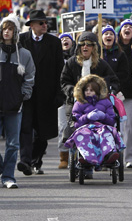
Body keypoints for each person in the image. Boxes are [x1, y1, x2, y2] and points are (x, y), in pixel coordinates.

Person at [0, 14, 35, 189]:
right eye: (4, 29)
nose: (7, 32)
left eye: (10, 29)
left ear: (15, 32)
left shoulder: (25, 55)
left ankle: (8, 176)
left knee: (13, 143)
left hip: (15, 106)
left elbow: (30, 76)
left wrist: (23, 95)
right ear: (0, 31)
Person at [61, 31, 120, 177]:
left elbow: (114, 81)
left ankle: (105, 155)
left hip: (98, 102)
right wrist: (72, 91)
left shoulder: (101, 64)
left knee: (102, 131)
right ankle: (84, 161)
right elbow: (64, 81)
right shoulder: (72, 63)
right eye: (82, 45)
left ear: (94, 47)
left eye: (89, 45)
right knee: (78, 128)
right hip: (77, 103)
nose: (85, 47)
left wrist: (107, 90)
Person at [18, 9, 64, 176]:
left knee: (43, 132)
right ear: (32, 25)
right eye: (41, 23)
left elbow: (60, 69)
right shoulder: (21, 41)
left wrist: (60, 93)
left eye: (46, 23)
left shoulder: (54, 42)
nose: (45, 25)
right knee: (25, 127)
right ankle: (24, 160)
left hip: (47, 95)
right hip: (26, 93)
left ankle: (35, 159)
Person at [64, 74, 124, 166]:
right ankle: (86, 157)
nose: (88, 92)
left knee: (106, 133)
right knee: (84, 134)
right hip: (85, 127)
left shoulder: (106, 102)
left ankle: (108, 155)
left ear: (97, 91)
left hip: (102, 126)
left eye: (91, 90)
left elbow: (112, 120)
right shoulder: (79, 104)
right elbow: (76, 122)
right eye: (86, 90)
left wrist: (103, 116)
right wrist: (87, 117)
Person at [117, 19, 132, 169]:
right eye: (124, 26)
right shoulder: (111, 49)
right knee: (113, 127)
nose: (127, 28)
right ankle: (112, 156)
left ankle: (129, 158)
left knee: (131, 126)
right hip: (113, 95)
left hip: (131, 95)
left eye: (130, 27)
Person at [57, 33, 75, 169]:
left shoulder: (77, 59)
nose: (64, 40)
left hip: (78, 99)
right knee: (63, 127)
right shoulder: (56, 58)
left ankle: (76, 155)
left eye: (67, 38)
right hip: (63, 98)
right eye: (62, 38)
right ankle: (63, 155)